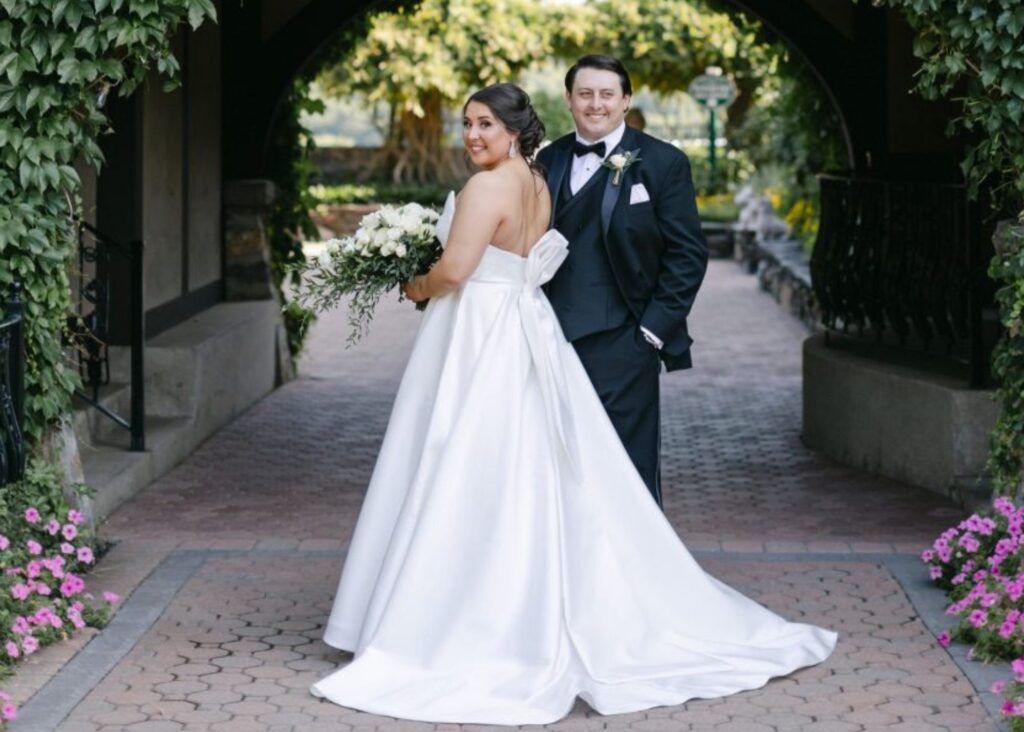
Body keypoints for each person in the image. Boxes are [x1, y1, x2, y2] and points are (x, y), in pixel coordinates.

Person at [310, 82, 836, 725]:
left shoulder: (486, 187)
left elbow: (455, 272)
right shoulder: (537, 179)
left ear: (512, 129)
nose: (473, 135)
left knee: (465, 459)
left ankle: (455, 616)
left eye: (484, 125)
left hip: (482, 332)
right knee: (531, 467)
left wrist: (412, 283)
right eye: (467, 124)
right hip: (525, 327)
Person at [537, 55, 708, 509]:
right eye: (585, 94)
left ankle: (635, 574)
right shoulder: (547, 159)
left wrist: (651, 333)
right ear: (569, 100)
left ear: (626, 100)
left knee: (626, 469)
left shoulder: (663, 162)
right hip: (549, 338)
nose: (596, 104)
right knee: (555, 462)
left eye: (607, 94)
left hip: (625, 339)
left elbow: (687, 256)